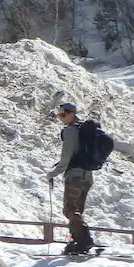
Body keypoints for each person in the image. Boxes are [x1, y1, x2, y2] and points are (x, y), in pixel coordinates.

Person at [47, 101, 95, 254]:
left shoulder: (70, 131)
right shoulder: (85, 130)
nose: (60, 117)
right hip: (87, 176)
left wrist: (52, 173)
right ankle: (77, 241)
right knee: (77, 211)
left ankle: (83, 240)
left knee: (69, 209)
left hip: (74, 175)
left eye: (63, 114)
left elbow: (66, 157)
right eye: (59, 114)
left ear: (72, 114)